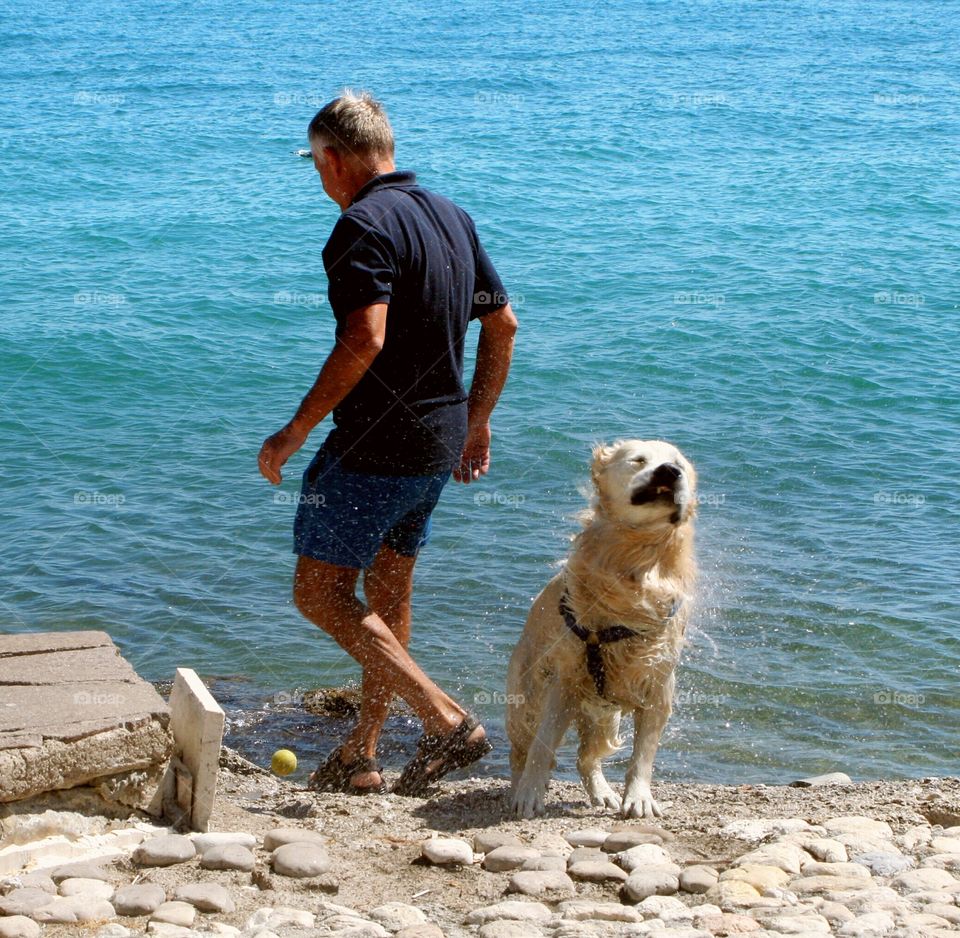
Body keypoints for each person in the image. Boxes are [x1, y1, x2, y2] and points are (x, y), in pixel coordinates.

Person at [258, 91, 517, 796]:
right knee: (388, 586)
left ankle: (444, 720)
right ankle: (364, 751)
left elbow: (364, 337)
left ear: (336, 159)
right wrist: (480, 419)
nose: (319, 178)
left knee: (319, 591)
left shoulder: (360, 226)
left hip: (374, 445)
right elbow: (504, 327)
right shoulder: (452, 216)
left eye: (316, 164)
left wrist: (296, 429)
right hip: (439, 439)